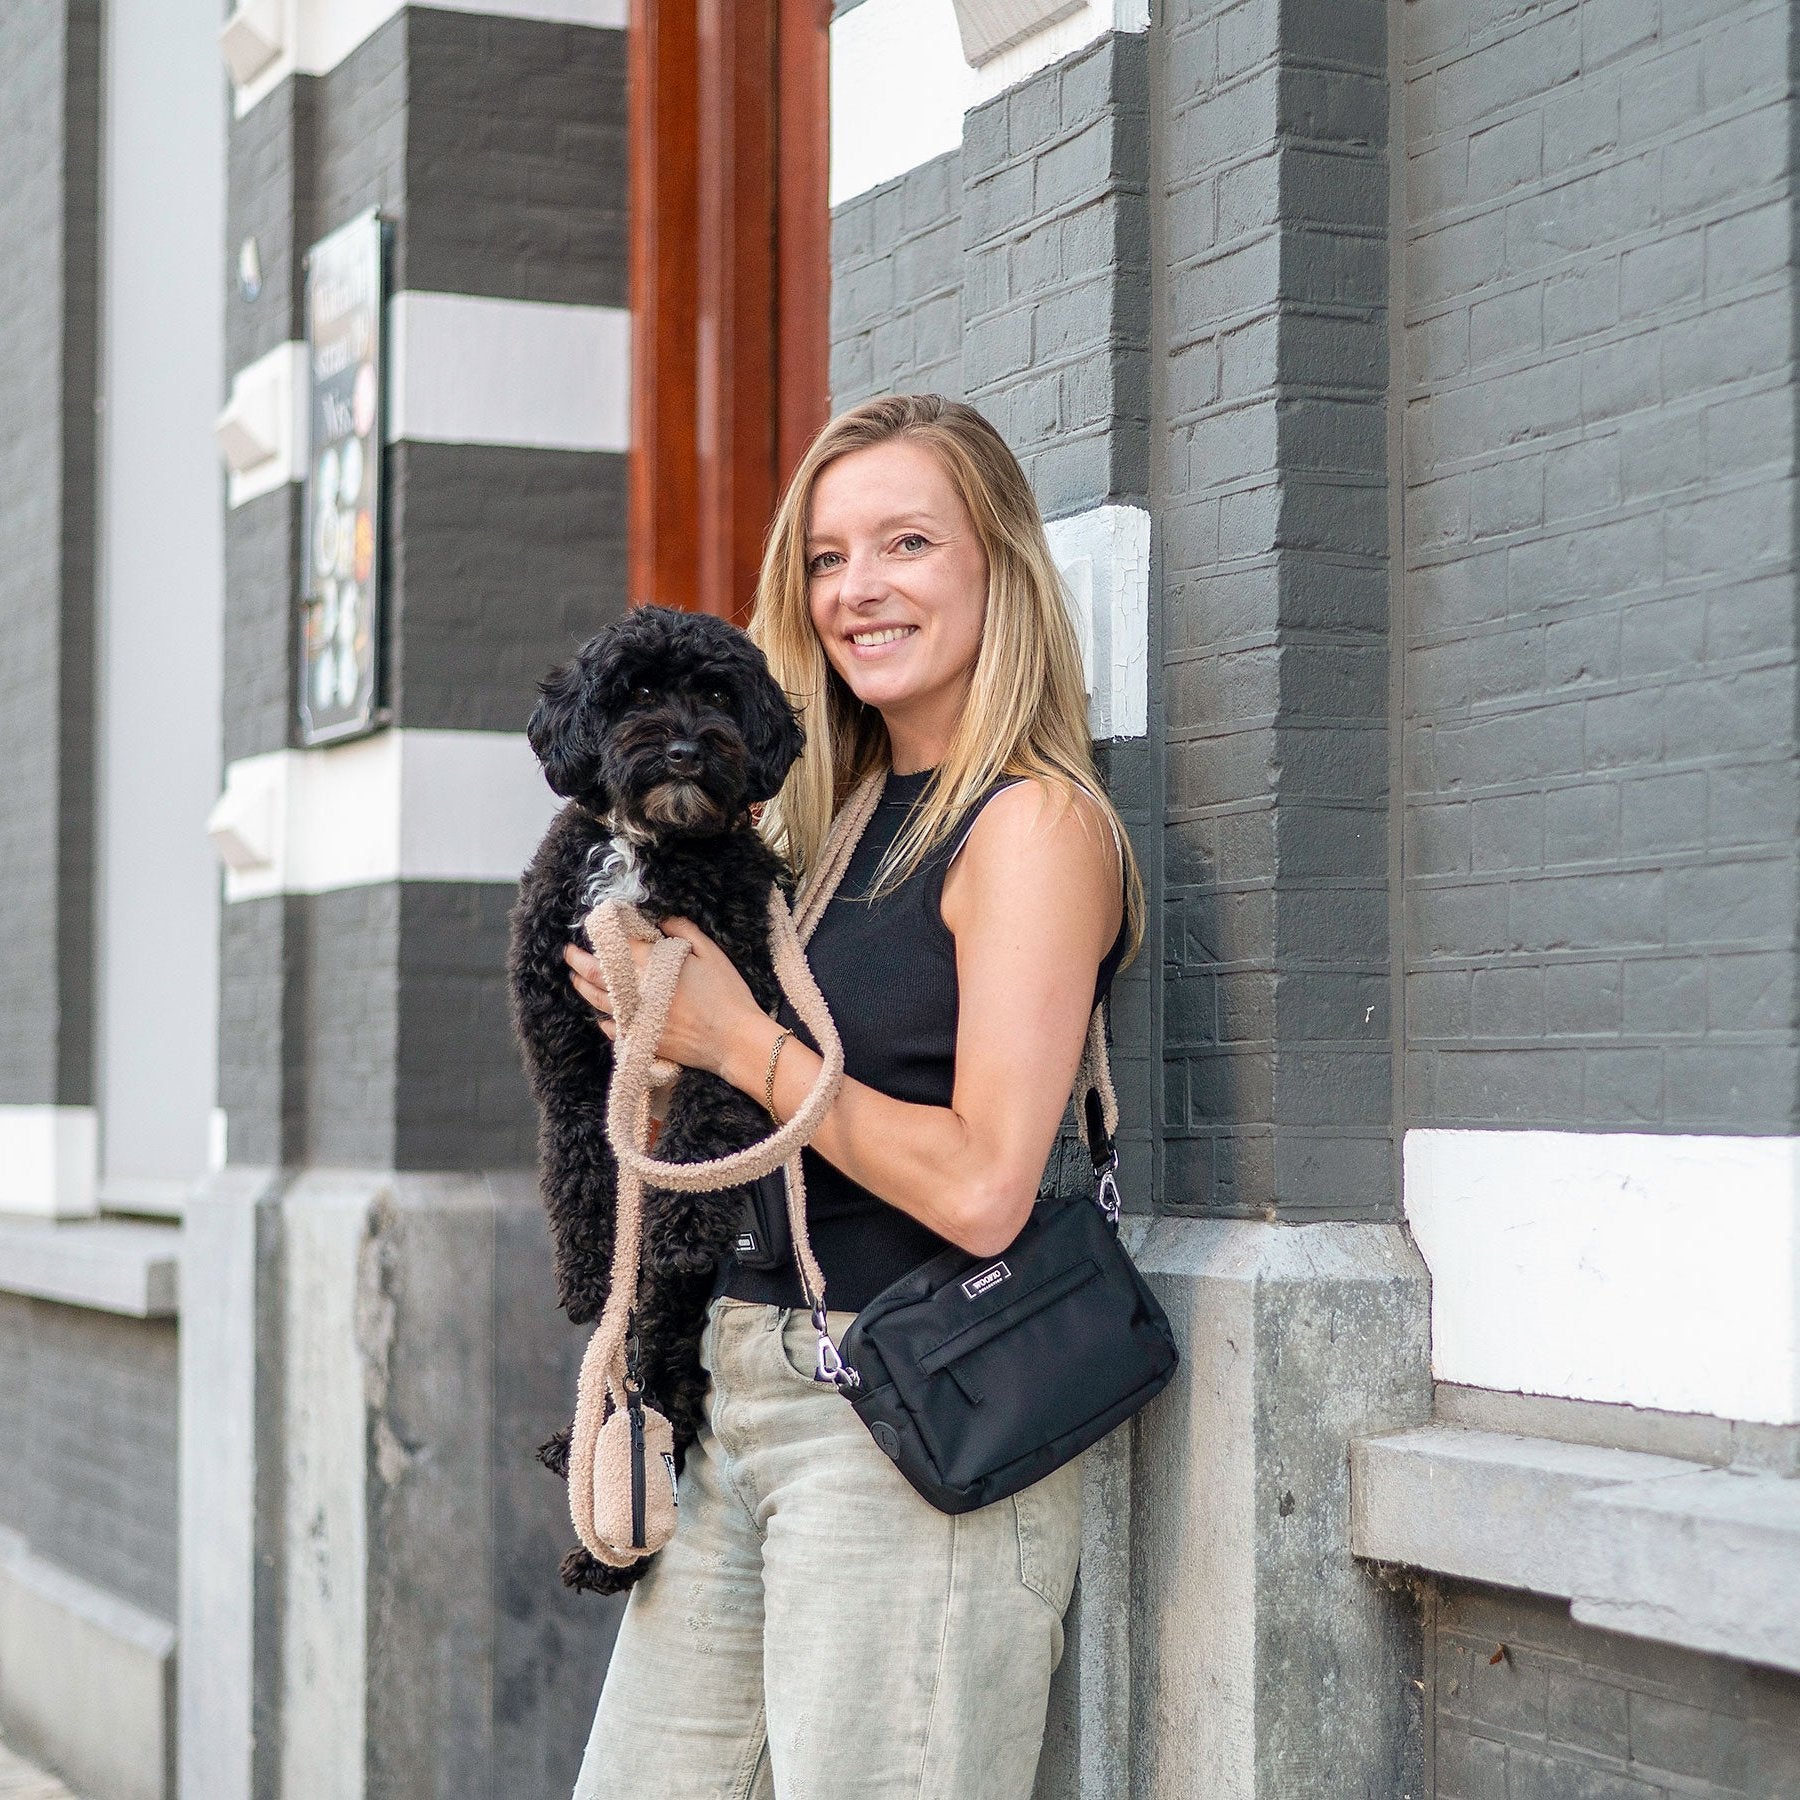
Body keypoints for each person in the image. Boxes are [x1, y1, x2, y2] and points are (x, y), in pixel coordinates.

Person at [562, 393, 1144, 1800]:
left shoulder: (1033, 826)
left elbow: (988, 1183)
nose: (858, 590)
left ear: (997, 566)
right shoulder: (813, 828)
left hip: (902, 1428)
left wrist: (740, 1045)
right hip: (739, 1399)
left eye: (905, 544)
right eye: (827, 558)